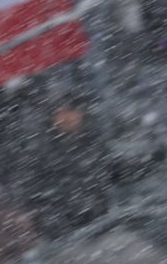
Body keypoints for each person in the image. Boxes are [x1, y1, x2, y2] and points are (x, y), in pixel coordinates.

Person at [15, 90, 111, 240]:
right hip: (68, 236)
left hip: (104, 224)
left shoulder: (91, 140)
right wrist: (61, 230)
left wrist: (150, 160)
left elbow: (111, 169)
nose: (68, 117)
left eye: (73, 111)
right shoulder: (38, 148)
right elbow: (30, 195)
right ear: (53, 117)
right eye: (62, 112)